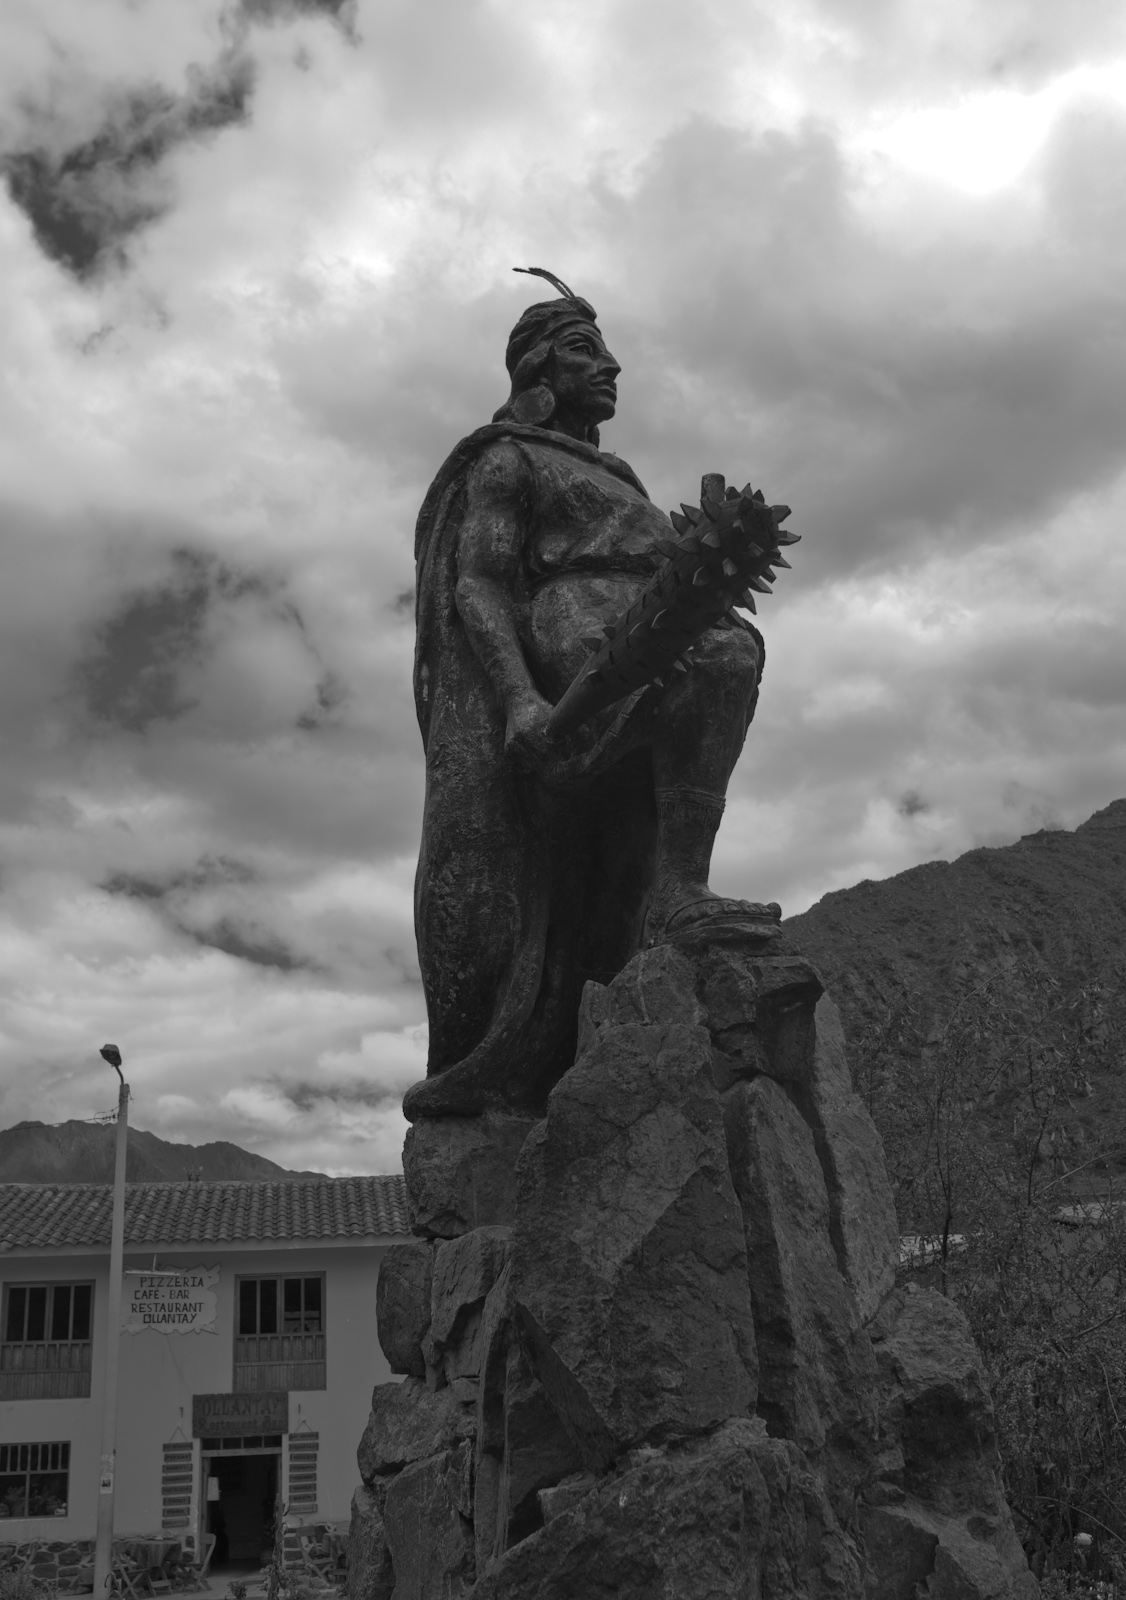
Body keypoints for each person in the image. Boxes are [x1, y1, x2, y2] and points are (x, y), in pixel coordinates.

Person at [405, 272, 778, 1119]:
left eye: (606, 351)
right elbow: (479, 581)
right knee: (691, 663)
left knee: (727, 655)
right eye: (584, 350)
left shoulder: (621, 477)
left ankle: (680, 887)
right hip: (569, 626)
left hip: (652, 621)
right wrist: (518, 698)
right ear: (537, 368)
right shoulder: (506, 458)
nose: (610, 366)